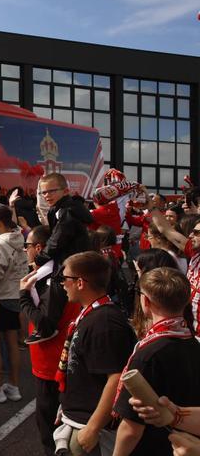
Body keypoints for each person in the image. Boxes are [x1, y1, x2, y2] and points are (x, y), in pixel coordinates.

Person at [54, 251, 136, 456]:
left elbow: (117, 377)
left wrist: (93, 427)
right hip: (79, 418)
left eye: (65, 278)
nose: (62, 284)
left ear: (80, 282)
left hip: (91, 427)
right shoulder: (91, 313)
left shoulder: (105, 322)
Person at [112, 268, 200, 456]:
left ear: (145, 301)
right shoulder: (194, 342)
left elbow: (131, 429)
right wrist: (176, 415)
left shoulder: (147, 355)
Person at [20, 225, 81, 456]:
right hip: (59, 358)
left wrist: (23, 296)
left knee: (50, 426)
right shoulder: (57, 271)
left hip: (51, 361)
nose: (24, 250)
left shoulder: (50, 277)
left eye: (27, 246)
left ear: (38, 248)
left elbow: (45, 324)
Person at [27, 172, 94, 344]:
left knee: (52, 284)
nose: (47, 195)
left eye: (51, 191)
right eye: (44, 192)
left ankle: (46, 328)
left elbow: (57, 240)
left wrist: (39, 259)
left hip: (72, 261)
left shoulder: (66, 211)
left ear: (65, 191)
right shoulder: (61, 209)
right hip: (69, 258)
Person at [0, 205, 27, 404]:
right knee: (12, 344)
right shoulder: (19, 239)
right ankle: (14, 387)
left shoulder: (0, 245)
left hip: (0, 298)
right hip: (16, 296)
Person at [148, 194, 200, 336]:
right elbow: (166, 230)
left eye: (196, 233)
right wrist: (151, 206)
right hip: (190, 330)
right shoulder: (195, 253)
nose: (190, 236)